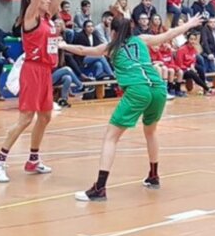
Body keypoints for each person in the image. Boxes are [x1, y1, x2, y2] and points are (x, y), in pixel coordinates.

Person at [60, 14, 203, 201]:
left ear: (113, 32)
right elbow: (169, 34)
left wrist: (63, 45)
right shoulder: (142, 39)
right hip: (158, 88)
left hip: (138, 89)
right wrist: (190, 24)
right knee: (150, 132)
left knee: (110, 138)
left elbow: (82, 49)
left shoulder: (111, 48)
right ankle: (153, 176)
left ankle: (99, 188)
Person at [0, 0, 65, 183]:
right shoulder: (30, 19)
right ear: (34, 1)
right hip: (31, 70)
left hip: (45, 71)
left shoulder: (49, 17)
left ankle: (33, 159)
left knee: (45, 116)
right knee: (25, 119)